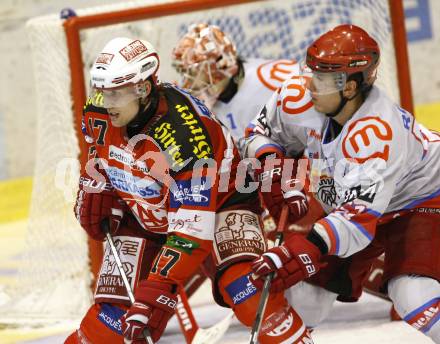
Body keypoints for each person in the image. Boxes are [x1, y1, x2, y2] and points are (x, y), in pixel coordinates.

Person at [67, 37, 313, 343]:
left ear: (143, 89)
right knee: (108, 323)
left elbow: (193, 230)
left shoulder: (185, 135)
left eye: (116, 93)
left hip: (223, 204)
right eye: (102, 91)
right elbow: (97, 152)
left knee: (248, 289)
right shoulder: (99, 109)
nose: (106, 101)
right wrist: (96, 187)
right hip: (146, 209)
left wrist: (161, 286)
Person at [247, 24, 440, 342]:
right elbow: (259, 133)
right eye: (312, 72)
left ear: (350, 88)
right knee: (305, 301)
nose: (310, 85)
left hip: (422, 197)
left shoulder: (375, 134)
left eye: (322, 79)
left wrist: (306, 246)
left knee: (412, 295)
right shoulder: (298, 97)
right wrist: (274, 164)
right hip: (356, 205)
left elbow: (357, 222)